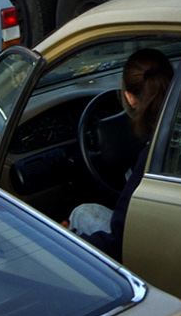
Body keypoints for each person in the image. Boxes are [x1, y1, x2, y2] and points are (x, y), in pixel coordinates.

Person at [68, 48, 175, 261]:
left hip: (148, 251)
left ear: (130, 98)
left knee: (81, 213)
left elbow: (119, 245)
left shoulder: (151, 159)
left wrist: (66, 240)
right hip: (173, 235)